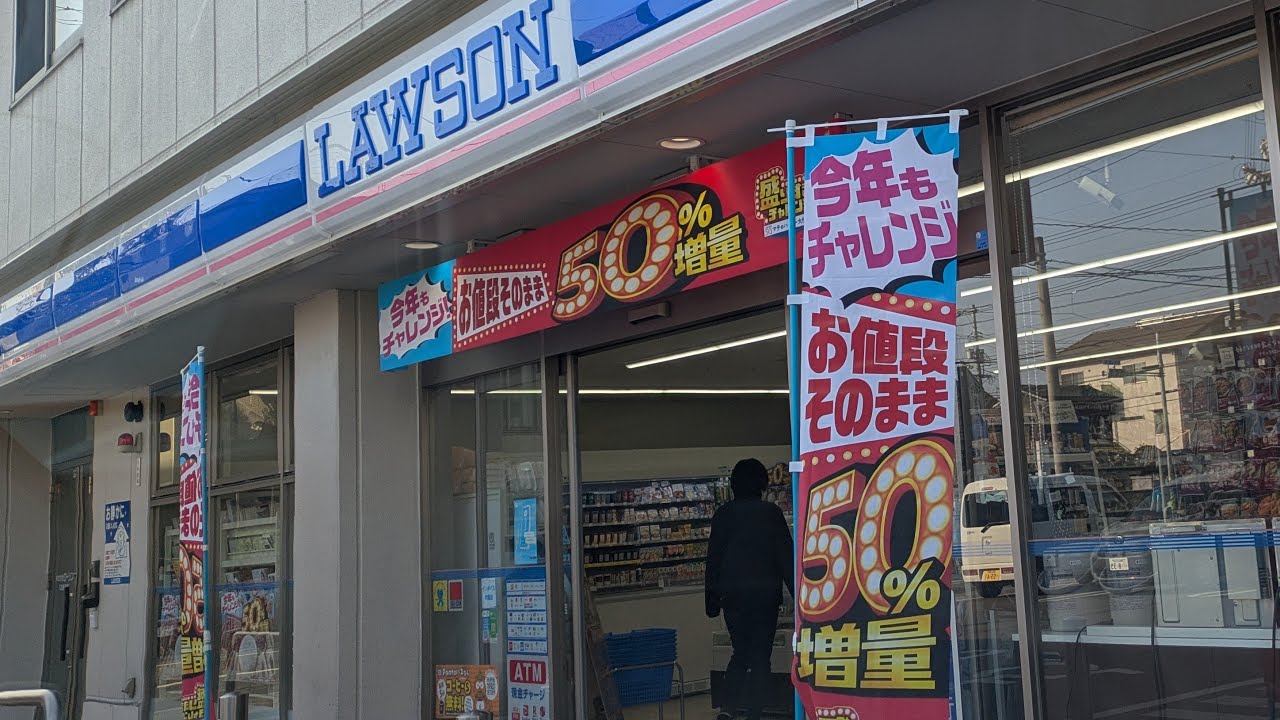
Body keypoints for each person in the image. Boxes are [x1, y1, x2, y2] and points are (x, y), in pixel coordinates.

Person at [705, 458, 795, 720]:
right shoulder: (771, 513)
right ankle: (756, 712)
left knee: (740, 652)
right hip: (765, 596)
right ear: (761, 484)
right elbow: (785, 557)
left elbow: (714, 559)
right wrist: (800, 598)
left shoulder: (722, 515)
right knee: (761, 658)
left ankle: (727, 709)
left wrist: (711, 600)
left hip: (732, 596)